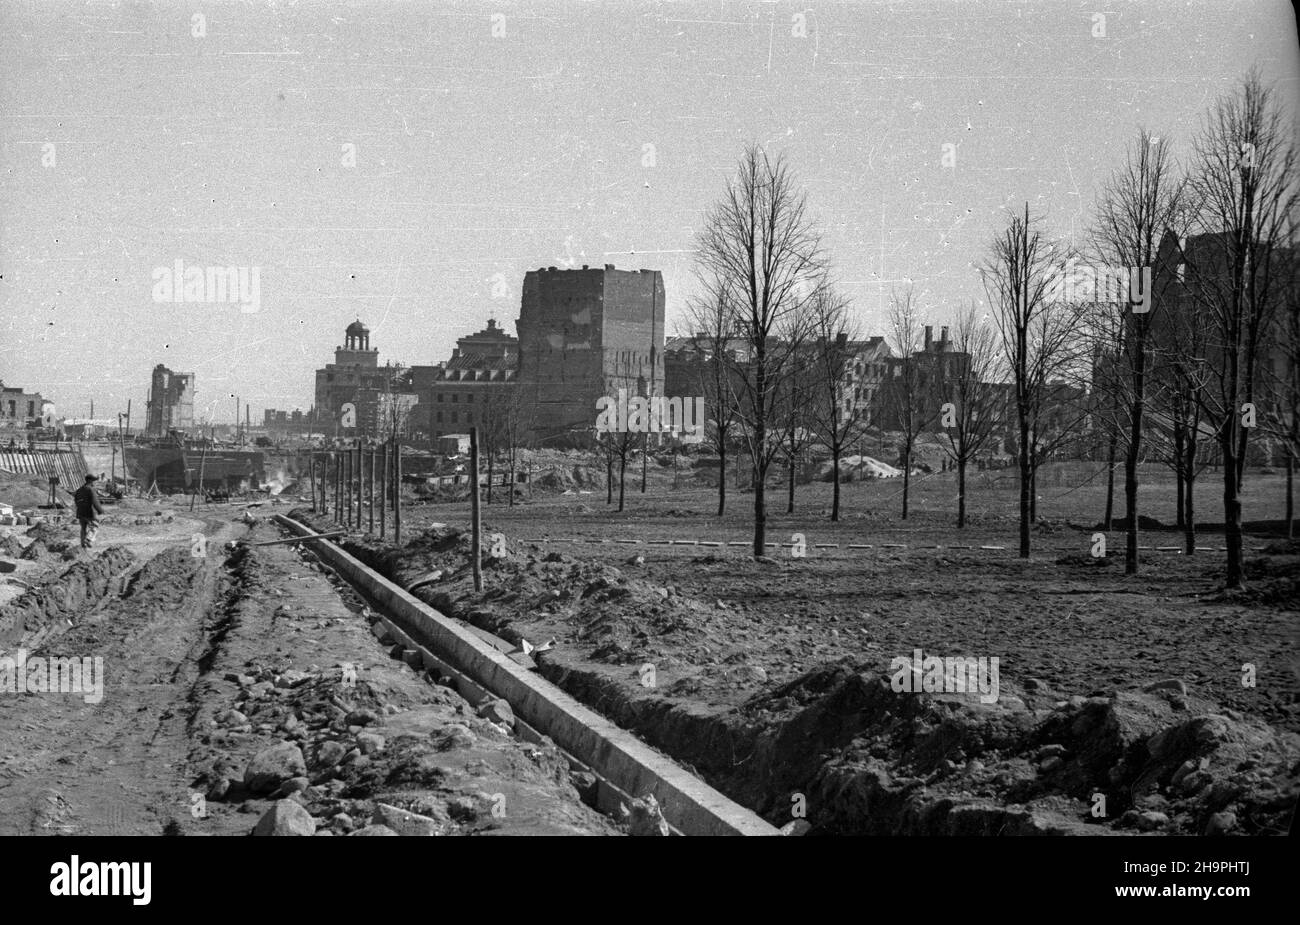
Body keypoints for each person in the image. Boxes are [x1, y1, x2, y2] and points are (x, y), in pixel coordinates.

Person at [73, 474, 104, 549]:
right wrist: (100, 511)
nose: (95, 482)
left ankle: (83, 544)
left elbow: (76, 501)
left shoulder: (79, 490)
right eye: (94, 480)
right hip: (89, 512)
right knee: (95, 526)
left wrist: (80, 507)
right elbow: (95, 501)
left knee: (83, 528)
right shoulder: (90, 489)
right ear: (90, 480)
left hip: (80, 512)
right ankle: (88, 539)